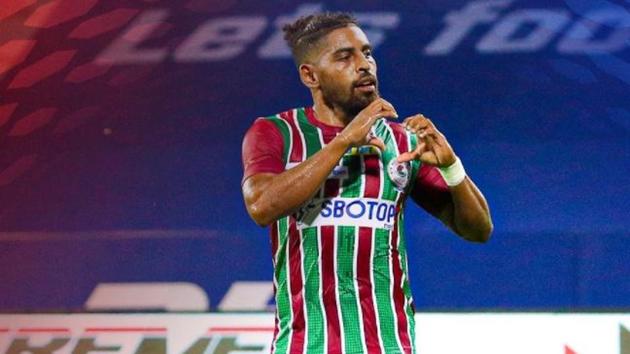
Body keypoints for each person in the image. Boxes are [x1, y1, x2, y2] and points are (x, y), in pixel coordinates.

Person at [241, 12, 492, 354]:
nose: (364, 65)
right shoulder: (277, 133)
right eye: (345, 56)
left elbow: (478, 230)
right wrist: (343, 142)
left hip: (387, 345)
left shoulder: (402, 142)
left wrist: (451, 166)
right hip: (303, 346)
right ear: (310, 75)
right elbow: (261, 206)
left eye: (367, 53)